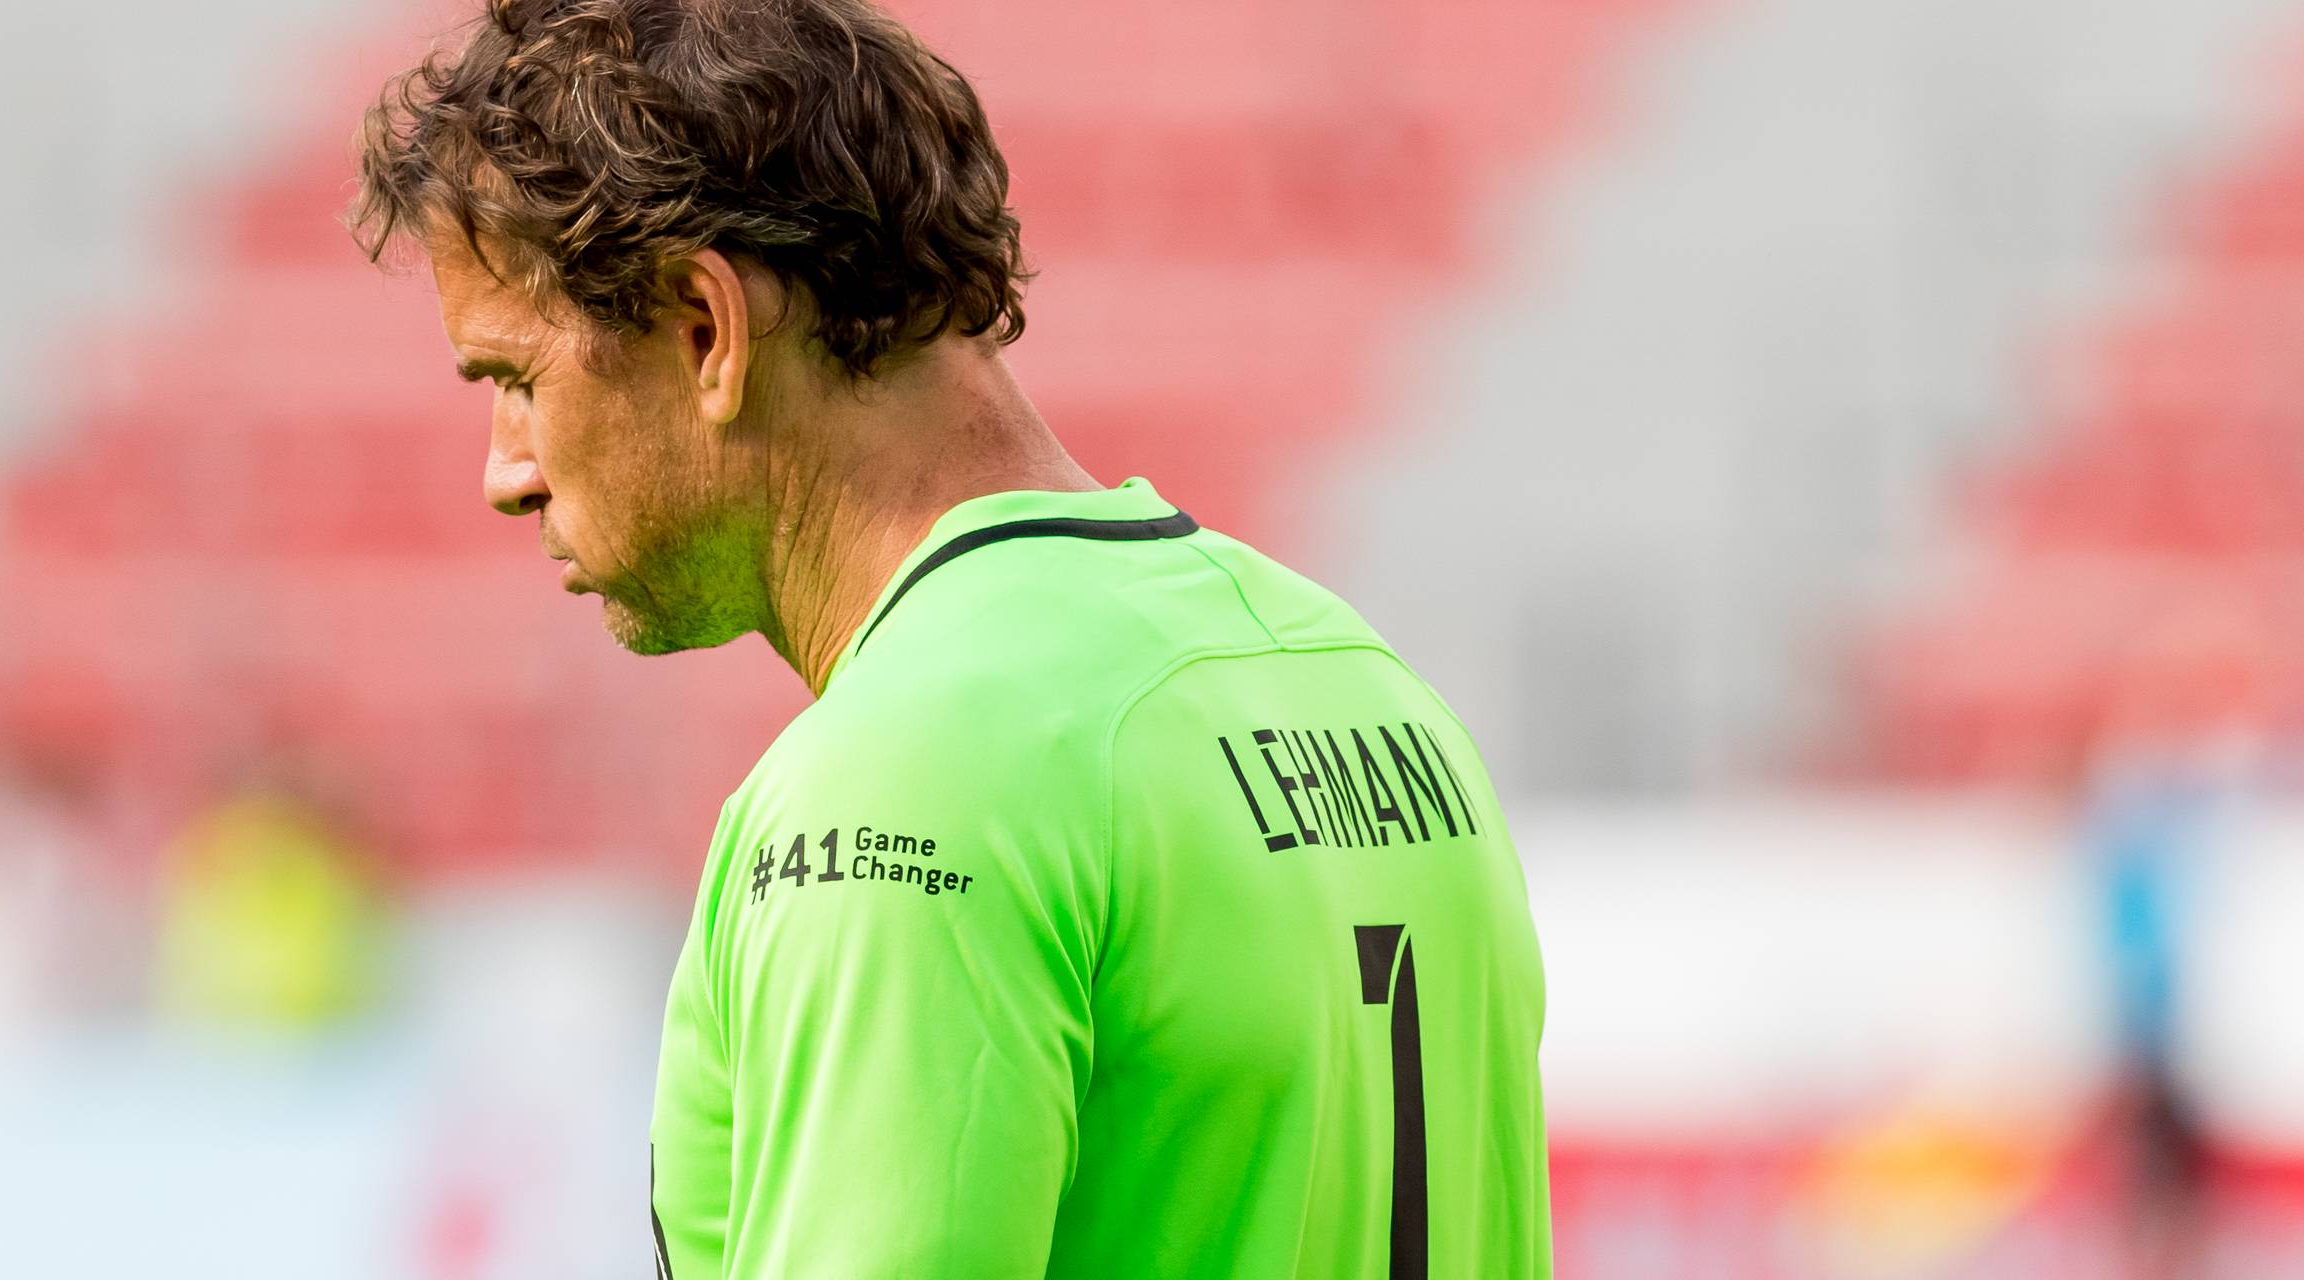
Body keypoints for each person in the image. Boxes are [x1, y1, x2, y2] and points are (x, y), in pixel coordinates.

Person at [348, 1, 1549, 1274]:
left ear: (705, 327)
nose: (507, 473)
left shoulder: (903, 781)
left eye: (517, 381)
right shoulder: (1368, 688)